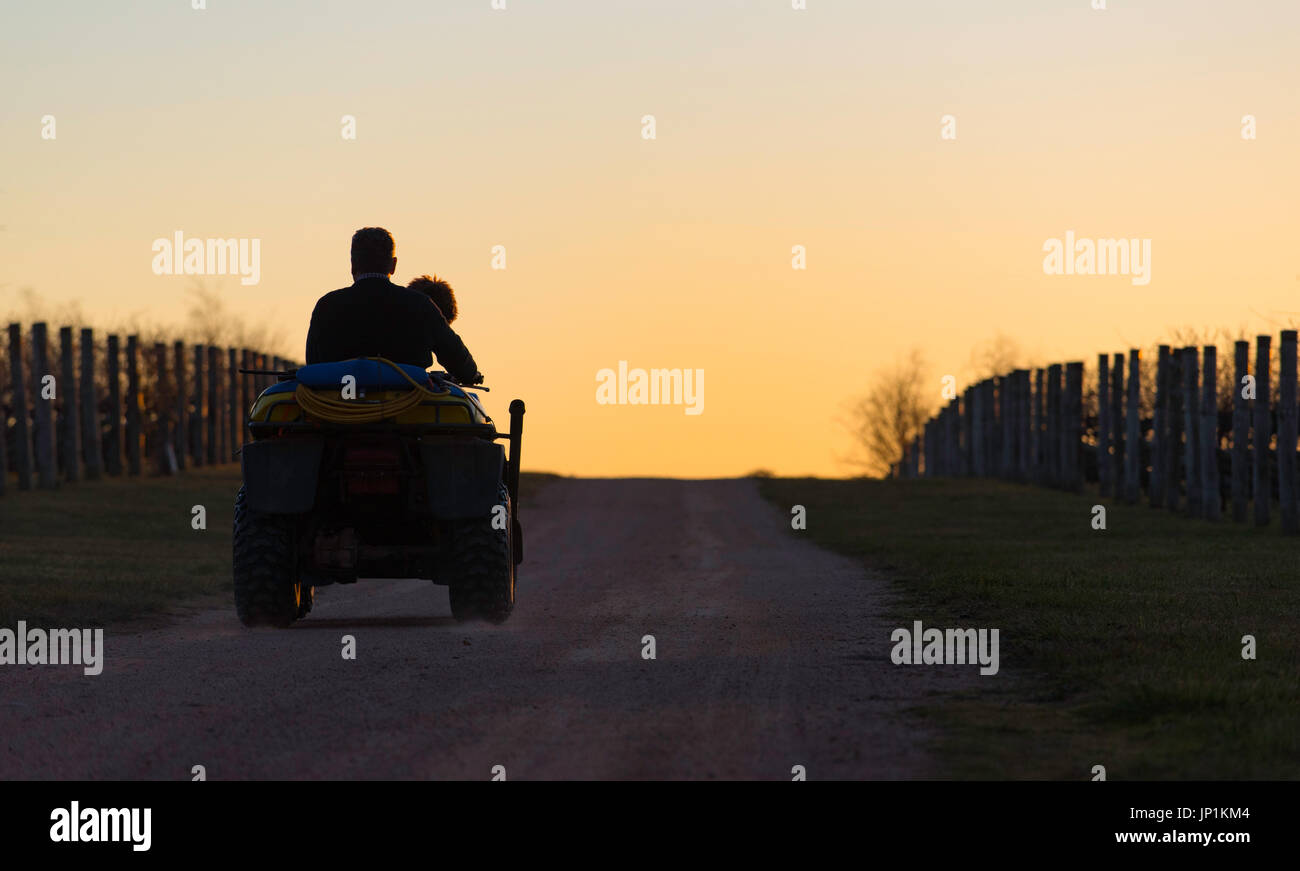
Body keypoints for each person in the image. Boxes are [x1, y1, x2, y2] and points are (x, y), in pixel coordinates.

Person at [305, 228, 481, 383]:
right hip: (413, 411)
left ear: (352, 265)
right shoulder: (420, 305)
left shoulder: (326, 306)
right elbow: (455, 356)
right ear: (393, 265)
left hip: (338, 408)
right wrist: (472, 375)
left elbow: (314, 364)